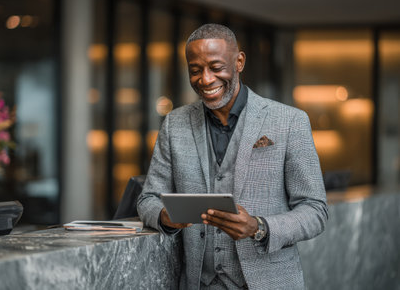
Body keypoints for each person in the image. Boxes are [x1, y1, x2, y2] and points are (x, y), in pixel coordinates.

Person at [137, 23, 328, 290]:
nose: (205, 79)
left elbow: (315, 210)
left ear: (239, 62)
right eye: (195, 70)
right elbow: (147, 198)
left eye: (216, 68)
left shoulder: (289, 121)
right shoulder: (174, 124)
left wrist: (258, 227)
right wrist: (164, 217)